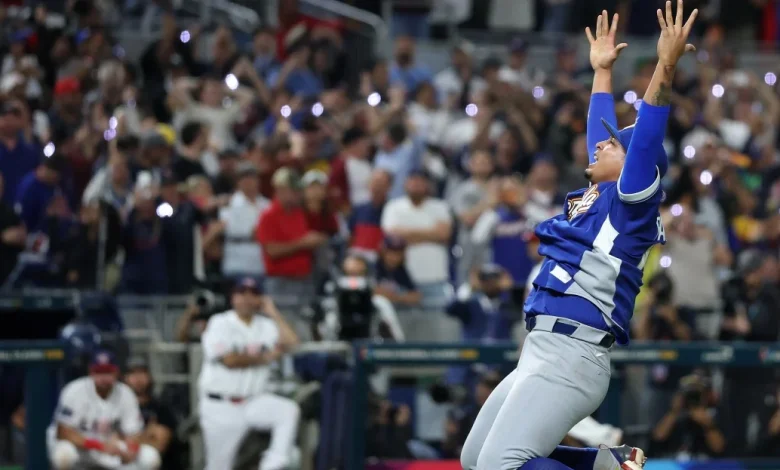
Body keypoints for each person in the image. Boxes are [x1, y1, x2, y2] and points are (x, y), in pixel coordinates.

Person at [459, 4, 698, 470]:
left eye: (615, 144)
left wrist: (664, 67)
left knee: (498, 467)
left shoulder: (631, 203)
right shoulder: (597, 193)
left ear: (634, 167)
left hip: (576, 352)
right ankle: (604, 464)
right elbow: (601, 138)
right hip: (542, 348)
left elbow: (646, 135)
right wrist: (602, 74)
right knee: (473, 460)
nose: (602, 144)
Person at [198, 277, 301, 470]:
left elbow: (293, 344)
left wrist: (273, 312)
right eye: (241, 293)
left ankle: (273, 463)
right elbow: (229, 360)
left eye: (253, 294)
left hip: (253, 402)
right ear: (232, 297)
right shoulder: (220, 323)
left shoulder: (266, 325)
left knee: (287, 410)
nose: (246, 298)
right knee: (218, 466)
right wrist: (266, 358)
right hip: (221, 406)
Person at [47, 350, 161, 470]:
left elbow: (134, 433)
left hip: (111, 448)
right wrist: (99, 446)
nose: (103, 377)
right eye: (99, 372)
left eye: (108, 372)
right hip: (81, 448)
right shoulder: (75, 390)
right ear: (91, 372)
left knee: (150, 458)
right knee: (64, 455)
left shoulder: (126, 393)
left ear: (116, 372)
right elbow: (64, 432)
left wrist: (131, 450)